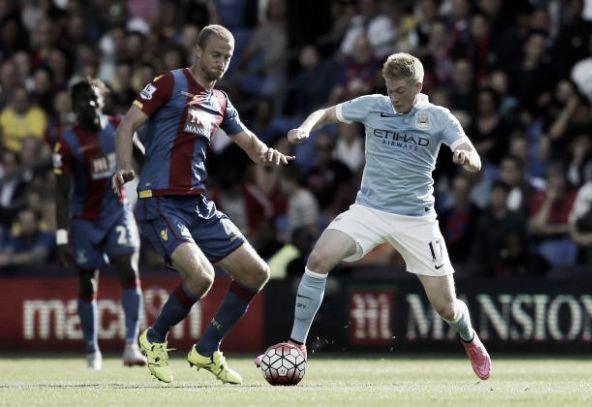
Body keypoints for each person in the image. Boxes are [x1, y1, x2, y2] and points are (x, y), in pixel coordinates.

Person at [258, 52, 492, 380]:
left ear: (418, 86)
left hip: (417, 219)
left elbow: (475, 158)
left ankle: (470, 339)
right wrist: (305, 127)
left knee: (446, 307)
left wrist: (466, 158)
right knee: (319, 258)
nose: (393, 97)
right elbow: (325, 113)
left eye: (400, 90)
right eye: (389, 89)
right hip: (369, 210)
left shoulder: (438, 118)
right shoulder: (373, 105)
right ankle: (297, 344)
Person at [113, 24, 293, 385]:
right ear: (197, 51)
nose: (221, 62)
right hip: (159, 199)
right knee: (202, 276)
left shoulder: (221, 102)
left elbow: (252, 146)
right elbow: (127, 125)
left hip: (196, 203)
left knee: (256, 272)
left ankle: (207, 348)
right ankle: (154, 337)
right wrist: (123, 165)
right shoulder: (169, 83)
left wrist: (269, 153)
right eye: (216, 54)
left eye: (227, 57)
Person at [53, 78, 146, 370]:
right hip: (84, 221)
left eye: (94, 98)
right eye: (83, 100)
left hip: (116, 211)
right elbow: (61, 192)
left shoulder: (121, 127)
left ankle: (132, 345)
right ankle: (93, 351)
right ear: (74, 107)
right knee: (86, 281)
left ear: (101, 101)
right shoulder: (66, 143)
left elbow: (146, 158)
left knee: (128, 269)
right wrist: (61, 236)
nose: (90, 104)